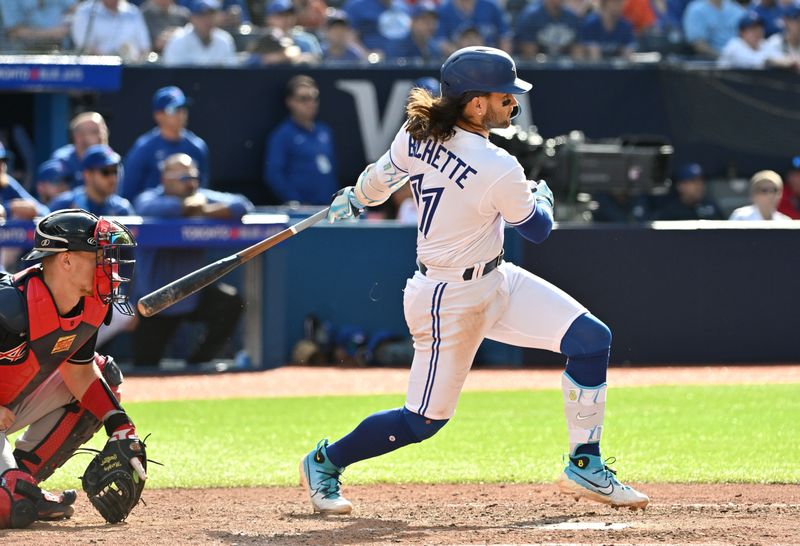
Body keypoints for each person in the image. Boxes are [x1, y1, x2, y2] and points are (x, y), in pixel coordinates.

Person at [298, 46, 649, 515]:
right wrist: (540, 195)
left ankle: (584, 463)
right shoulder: (497, 164)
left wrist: (356, 196)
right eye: (505, 96)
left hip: (495, 278)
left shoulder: (416, 132)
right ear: (475, 103)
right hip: (448, 298)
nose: (513, 105)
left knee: (589, 339)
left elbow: (379, 180)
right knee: (422, 422)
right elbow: (539, 229)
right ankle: (325, 461)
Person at [0, 209, 142, 527]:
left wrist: (119, 424)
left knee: (102, 377)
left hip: (7, 410)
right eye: (99, 254)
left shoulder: (89, 305)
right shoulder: (8, 306)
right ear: (66, 261)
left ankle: (21, 481)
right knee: (9, 506)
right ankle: (13, 491)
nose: (110, 264)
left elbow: (78, 372)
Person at [132, 153, 253, 368]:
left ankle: (198, 364)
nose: (191, 183)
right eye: (183, 178)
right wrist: (188, 208)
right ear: (165, 180)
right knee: (145, 367)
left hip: (192, 296)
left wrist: (203, 209)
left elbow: (242, 205)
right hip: (156, 302)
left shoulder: (202, 196)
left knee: (231, 303)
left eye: (193, 177)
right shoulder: (151, 198)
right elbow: (149, 208)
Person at [121, 86, 210, 201]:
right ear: (158, 115)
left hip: (190, 213)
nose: (180, 113)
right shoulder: (143, 148)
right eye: (173, 109)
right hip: (152, 215)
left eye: (183, 108)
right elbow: (129, 192)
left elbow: (201, 188)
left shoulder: (197, 147)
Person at [264, 75, 339, 205]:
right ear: (289, 101)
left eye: (314, 98)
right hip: (301, 213)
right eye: (303, 99)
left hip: (328, 208)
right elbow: (274, 174)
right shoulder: (282, 135)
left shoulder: (324, 131)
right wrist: (295, 200)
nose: (310, 103)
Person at [48, 145, 135, 217]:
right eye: (105, 172)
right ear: (88, 174)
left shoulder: (122, 210)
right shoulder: (64, 206)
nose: (113, 178)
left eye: (115, 171)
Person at [161, 0, 238, 66]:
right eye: (202, 15)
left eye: (211, 14)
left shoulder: (225, 40)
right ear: (192, 17)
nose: (208, 20)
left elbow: (230, 76)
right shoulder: (177, 40)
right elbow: (171, 76)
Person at [71, 0, 151, 62]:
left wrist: (135, 61)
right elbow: (85, 45)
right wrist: (108, 61)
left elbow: (145, 47)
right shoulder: (86, 11)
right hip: (97, 68)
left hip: (131, 70)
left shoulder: (134, 12)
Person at [50, 112, 110, 188]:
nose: (102, 135)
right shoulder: (62, 160)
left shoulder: (110, 159)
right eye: (95, 132)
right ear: (78, 137)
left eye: (104, 130)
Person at [717, 11, 796, 67]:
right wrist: (775, 61)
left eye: (759, 28)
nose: (757, 32)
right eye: (753, 28)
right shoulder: (734, 45)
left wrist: (792, 61)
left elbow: (781, 58)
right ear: (742, 32)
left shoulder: (763, 44)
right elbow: (753, 61)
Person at [436, 0, 512, 55]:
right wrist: (463, 59)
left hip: (489, 59)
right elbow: (441, 41)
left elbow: (505, 37)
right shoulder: (445, 9)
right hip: (458, 62)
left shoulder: (491, 6)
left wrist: (500, 63)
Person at [652, 163, 725, 220]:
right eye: (693, 181)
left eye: (701, 180)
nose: (699, 185)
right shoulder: (670, 212)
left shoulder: (711, 206)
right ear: (680, 186)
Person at [514, 0, 581, 59]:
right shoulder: (530, 16)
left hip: (566, 68)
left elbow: (577, 52)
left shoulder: (572, 17)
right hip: (537, 69)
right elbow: (529, 54)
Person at [0, 0, 75, 52]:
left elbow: (75, 8)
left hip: (62, 52)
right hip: (23, 57)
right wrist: (50, 34)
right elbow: (15, 32)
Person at [0, 144, 49, 221]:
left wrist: (11, 208)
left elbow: (43, 212)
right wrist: (7, 209)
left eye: (2, 162)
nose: (1, 166)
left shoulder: (6, 182)